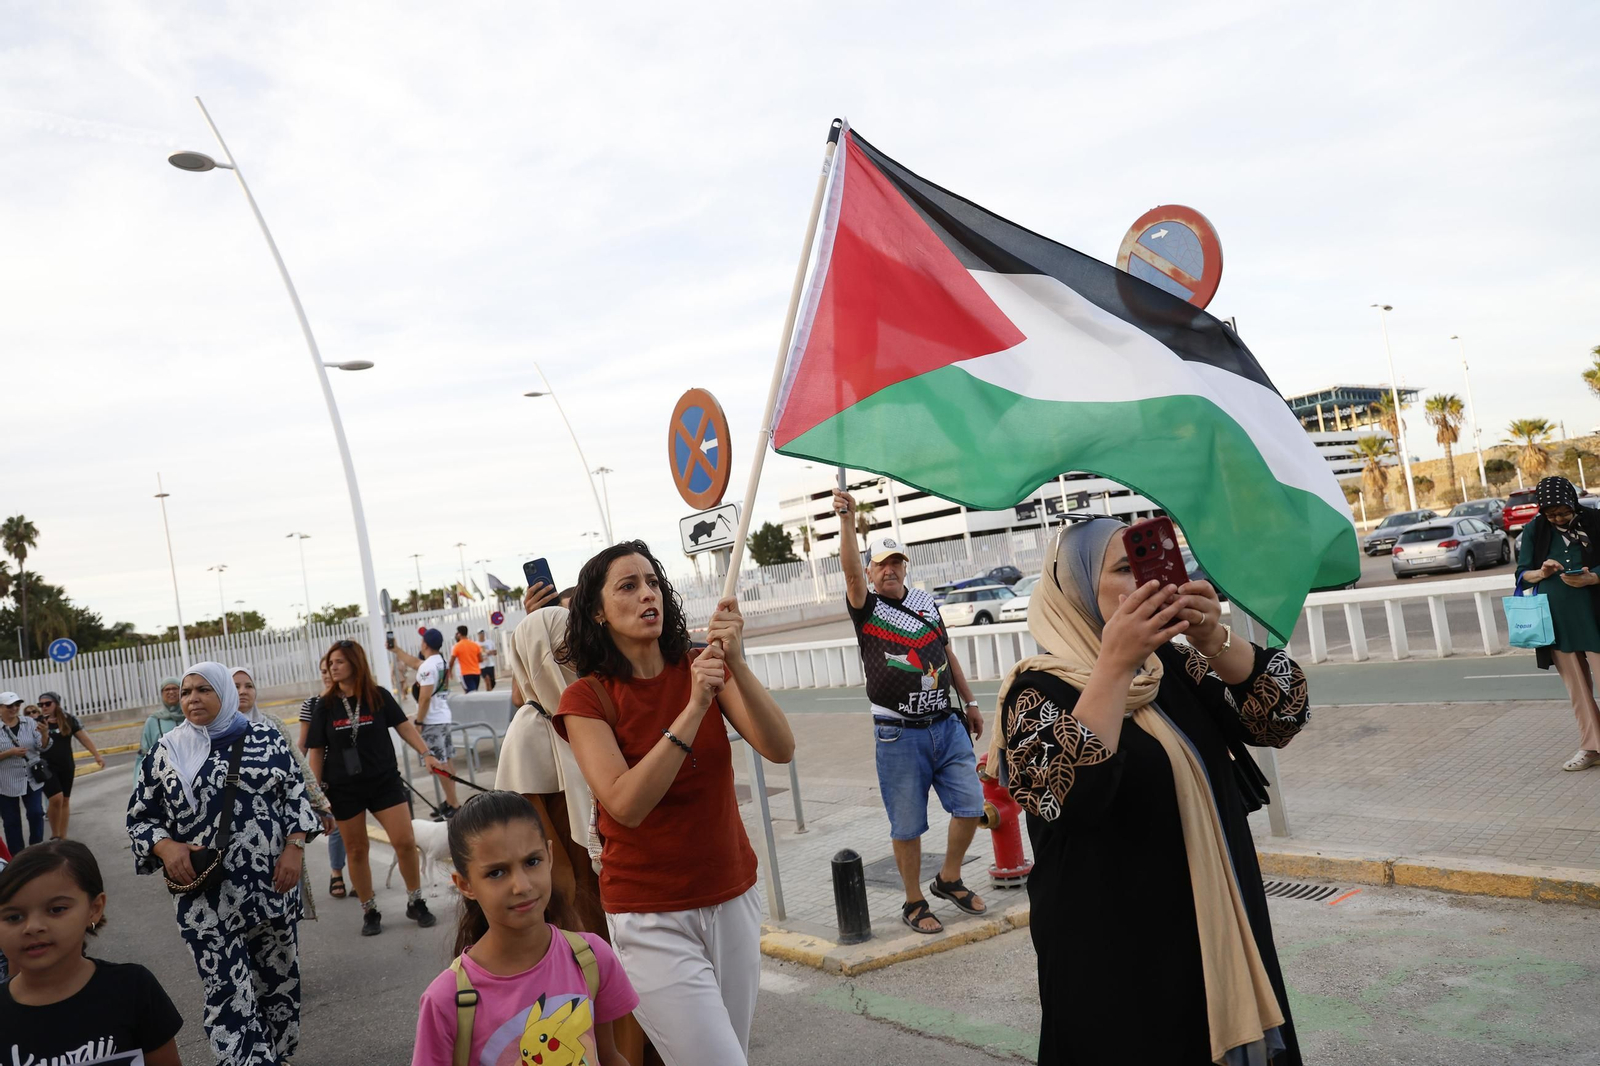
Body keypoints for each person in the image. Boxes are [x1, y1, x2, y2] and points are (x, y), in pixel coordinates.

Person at [990, 518, 1308, 1064]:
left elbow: (1282, 717)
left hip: (1215, 927)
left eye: (1149, 566)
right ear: (1076, 592)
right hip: (1117, 953)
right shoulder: (1035, 693)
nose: (1146, 582)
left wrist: (1212, 637)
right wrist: (1113, 663)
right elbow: (1066, 798)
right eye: (1124, 570)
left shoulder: (1173, 667)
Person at [555, 540, 794, 1066]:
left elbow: (780, 748)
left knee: (733, 1051)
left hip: (732, 896)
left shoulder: (700, 664)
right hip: (650, 915)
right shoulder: (587, 699)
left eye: (654, 582)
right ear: (597, 611)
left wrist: (737, 666)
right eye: (628, 586)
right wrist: (692, 709)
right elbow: (625, 803)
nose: (648, 594)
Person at [127, 662, 322, 1066]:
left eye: (203, 690)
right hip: (206, 894)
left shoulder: (266, 736)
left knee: (279, 983)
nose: (192, 698)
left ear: (224, 694)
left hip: (272, 886)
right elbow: (140, 816)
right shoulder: (168, 750)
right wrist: (165, 847)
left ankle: (279, 1055)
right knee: (227, 990)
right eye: (186, 692)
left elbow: (295, 795)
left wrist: (295, 847)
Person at [832, 492, 988, 934]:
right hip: (898, 734)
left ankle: (949, 878)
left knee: (971, 804)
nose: (890, 570)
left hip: (947, 724)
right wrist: (847, 521)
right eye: (881, 564)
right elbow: (847, 570)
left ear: (905, 567)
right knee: (907, 824)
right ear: (869, 572)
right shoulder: (867, 607)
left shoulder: (924, 603)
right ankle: (914, 901)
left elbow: (946, 652)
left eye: (896, 562)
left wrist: (971, 702)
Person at [411, 790, 639, 1066]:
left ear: (549, 856)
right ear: (465, 885)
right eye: (496, 873)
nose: (522, 885)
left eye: (532, 862)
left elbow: (610, 1057)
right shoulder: (447, 1001)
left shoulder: (591, 958)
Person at [305, 638, 446, 935]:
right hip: (343, 788)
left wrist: (427, 754)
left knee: (405, 841)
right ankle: (369, 909)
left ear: (355, 663)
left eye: (338, 662)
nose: (332, 668)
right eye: (330, 663)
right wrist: (316, 797)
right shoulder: (324, 706)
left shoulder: (378, 696)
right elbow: (315, 751)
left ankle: (415, 900)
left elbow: (404, 727)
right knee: (356, 850)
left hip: (384, 781)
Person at [0, 840, 185, 1065]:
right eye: (13, 917)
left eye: (56, 909)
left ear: (94, 909)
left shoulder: (133, 990)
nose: (32, 927)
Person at [234, 665, 336, 919]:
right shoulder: (212, 732)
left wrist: (319, 804)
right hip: (235, 835)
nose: (243, 692)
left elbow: (298, 768)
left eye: (249, 686)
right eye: (235, 687)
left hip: (277, 828)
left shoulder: (273, 725)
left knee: (280, 902)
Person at [1515, 476, 1600, 771]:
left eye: (1563, 511)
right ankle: (1591, 747)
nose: (1558, 518)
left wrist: (1594, 576)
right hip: (1557, 619)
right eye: (1551, 514)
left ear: (1573, 502)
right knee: (1577, 688)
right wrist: (1542, 571)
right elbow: (1522, 573)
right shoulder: (1535, 530)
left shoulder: (1595, 521)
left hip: (1595, 614)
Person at [391, 628, 461, 817]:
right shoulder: (441, 663)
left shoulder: (428, 667)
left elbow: (425, 698)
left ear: (424, 644)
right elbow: (414, 663)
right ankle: (450, 800)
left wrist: (419, 721)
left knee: (438, 763)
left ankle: (454, 805)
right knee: (446, 761)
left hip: (432, 721)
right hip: (444, 717)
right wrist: (397, 650)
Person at [299, 657, 348, 898]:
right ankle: (336, 872)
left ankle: (361, 877)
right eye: (322, 671)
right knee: (337, 827)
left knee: (355, 831)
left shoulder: (349, 701)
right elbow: (304, 745)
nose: (327, 674)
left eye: (330, 669)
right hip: (326, 775)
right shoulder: (311, 704)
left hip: (351, 772)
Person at [35, 691, 104, 841]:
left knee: (65, 799)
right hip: (46, 766)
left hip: (66, 764)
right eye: (41, 704)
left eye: (48, 703)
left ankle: (63, 837)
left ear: (56, 704)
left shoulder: (68, 720)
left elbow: (83, 738)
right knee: (56, 798)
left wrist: (96, 754)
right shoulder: (38, 722)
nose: (44, 707)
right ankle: (55, 834)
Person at [0, 691, 49, 855]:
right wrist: (10, 752)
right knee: (11, 821)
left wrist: (44, 734)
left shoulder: (29, 722)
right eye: (9, 706)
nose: (14, 708)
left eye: (17, 705)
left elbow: (42, 747)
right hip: (6, 781)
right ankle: (18, 857)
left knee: (36, 813)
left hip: (31, 778)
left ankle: (36, 850)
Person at [136, 676, 185, 781]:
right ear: (162, 694)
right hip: (162, 778)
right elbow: (144, 754)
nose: (171, 692)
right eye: (167, 689)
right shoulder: (153, 721)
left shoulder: (191, 717)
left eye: (175, 688)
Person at [453, 624, 484, 692]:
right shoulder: (475, 644)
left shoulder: (457, 646)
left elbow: (452, 661)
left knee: (470, 693)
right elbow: (481, 659)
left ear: (459, 634)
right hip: (476, 673)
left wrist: (449, 672)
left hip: (465, 673)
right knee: (474, 691)